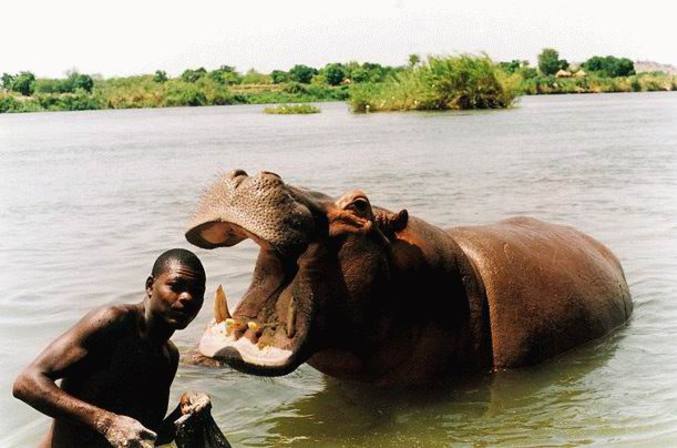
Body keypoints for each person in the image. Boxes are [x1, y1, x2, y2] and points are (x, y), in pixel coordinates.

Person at [13, 248, 213, 447]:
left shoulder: (168, 356)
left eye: (197, 292)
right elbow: (26, 383)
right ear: (150, 286)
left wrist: (183, 412)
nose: (187, 297)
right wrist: (106, 422)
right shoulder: (114, 322)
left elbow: (146, 436)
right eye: (176, 286)